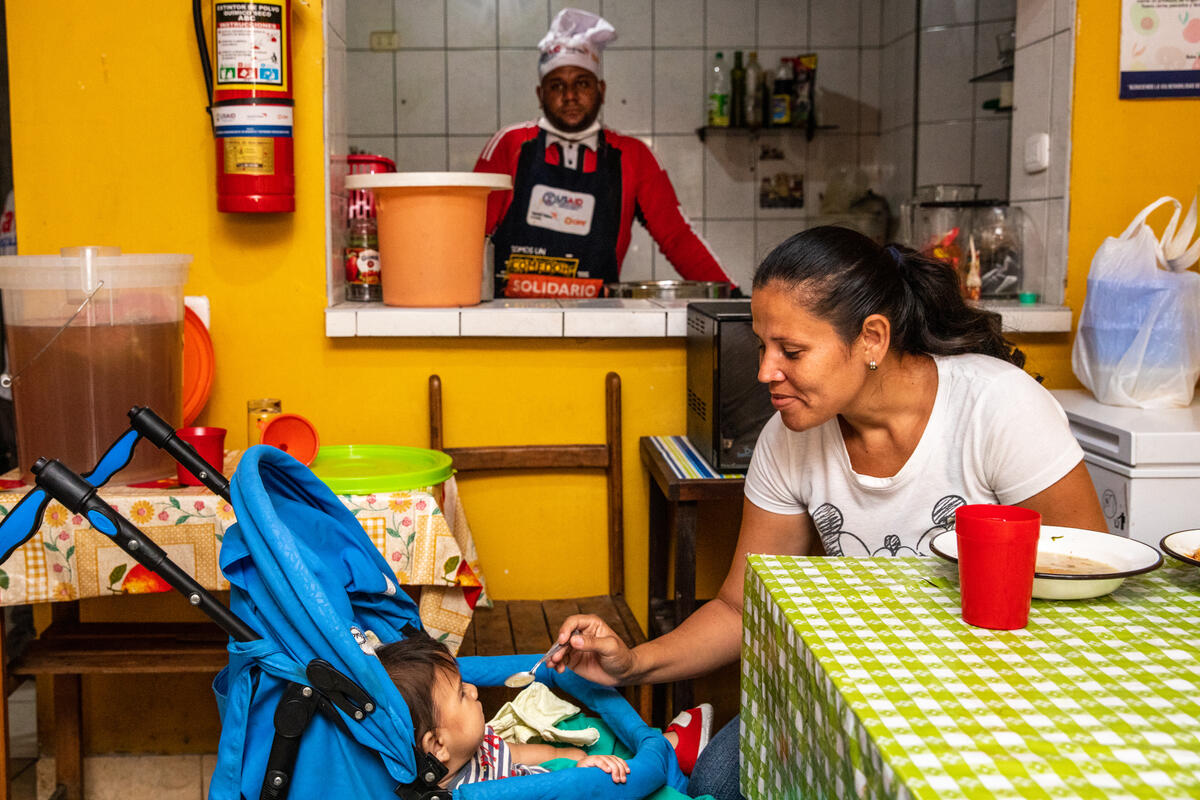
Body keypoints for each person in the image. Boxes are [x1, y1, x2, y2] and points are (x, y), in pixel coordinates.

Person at [545, 226, 1108, 800]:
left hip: (986, 685)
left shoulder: (999, 409)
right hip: (851, 685)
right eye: (762, 345)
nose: (765, 371)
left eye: (791, 351)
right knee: (719, 781)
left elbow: (1087, 572)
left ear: (872, 339)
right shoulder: (788, 437)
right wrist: (632, 664)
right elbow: (742, 608)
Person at [474, 8, 733, 300]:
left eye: (582, 84)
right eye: (556, 85)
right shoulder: (511, 144)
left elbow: (677, 238)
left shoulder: (633, 156)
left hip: (597, 326)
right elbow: (470, 232)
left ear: (602, 90)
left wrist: (735, 300)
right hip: (509, 325)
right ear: (540, 94)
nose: (569, 95)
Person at [376, 633, 713, 789]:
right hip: (560, 790)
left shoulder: (471, 747)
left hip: (556, 773)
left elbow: (516, 751)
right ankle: (671, 748)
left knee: (591, 730)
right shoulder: (467, 792)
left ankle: (668, 744)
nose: (474, 689)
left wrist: (570, 755)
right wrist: (583, 773)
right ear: (438, 745)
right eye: (462, 694)